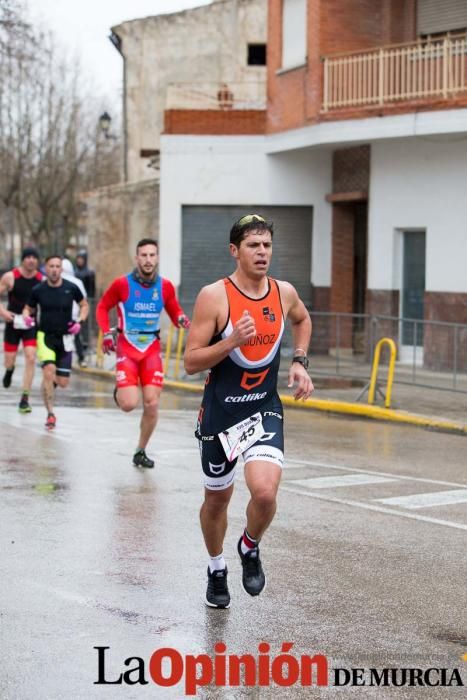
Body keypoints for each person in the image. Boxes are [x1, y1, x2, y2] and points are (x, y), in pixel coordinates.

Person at [184, 214, 314, 609]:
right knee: (217, 502)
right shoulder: (214, 296)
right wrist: (231, 341)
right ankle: (216, 566)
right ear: (234, 251)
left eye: (267, 245)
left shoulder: (283, 292)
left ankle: (249, 546)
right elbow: (191, 362)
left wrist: (299, 361)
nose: (262, 253)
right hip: (220, 417)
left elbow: (303, 320)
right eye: (253, 246)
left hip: (262, 411)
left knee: (265, 493)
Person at [96, 238, 190, 469]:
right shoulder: (122, 284)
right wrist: (107, 333)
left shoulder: (165, 286)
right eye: (144, 255)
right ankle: (121, 390)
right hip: (127, 349)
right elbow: (101, 307)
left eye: (152, 255)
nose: (148, 260)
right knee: (129, 404)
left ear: (157, 258)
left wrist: (181, 319)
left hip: (151, 351)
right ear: (137, 258)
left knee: (151, 403)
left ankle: (140, 450)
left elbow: (173, 309)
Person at [23, 255, 89, 429]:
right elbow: (28, 309)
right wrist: (26, 318)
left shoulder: (71, 288)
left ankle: (47, 386)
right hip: (45, 337)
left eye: (57, 266)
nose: (54, 269)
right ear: (46, 268)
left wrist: (79, 322)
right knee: (49, 370)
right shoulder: (38, 290)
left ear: (61, 269)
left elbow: (84, 305)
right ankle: (50, 414)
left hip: (66, 338)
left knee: (63, 382)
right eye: (51, 266)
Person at [0, 247, 44, 413]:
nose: (31, 260)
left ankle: (25, 398)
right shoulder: (11, 277)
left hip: (30, 325)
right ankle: (9, 370)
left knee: (31, 357)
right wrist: (4, 313)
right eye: (28, 257)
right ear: (23, 260)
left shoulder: (41, 279)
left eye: (34, 257)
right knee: (9, 359)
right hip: (13, 322)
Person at [61, 258, 88, 367]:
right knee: (75, 338)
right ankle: (80, 358)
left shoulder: (71, 282)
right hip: (74, 315)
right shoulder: (77, 282)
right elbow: (84, 299)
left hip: (66, 315)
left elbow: (83, 300)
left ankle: (66, 360)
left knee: (72, 338)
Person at [74, 250, 95, 357]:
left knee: (85, 323)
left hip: (86, 301)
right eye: (78, 258)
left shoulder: (89, 273)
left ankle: (86, 343)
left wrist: (90, 299)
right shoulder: (75, 272)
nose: (79, 261)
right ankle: (79, 344)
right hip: (76, 302)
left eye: (81, 259)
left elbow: (92, 288)